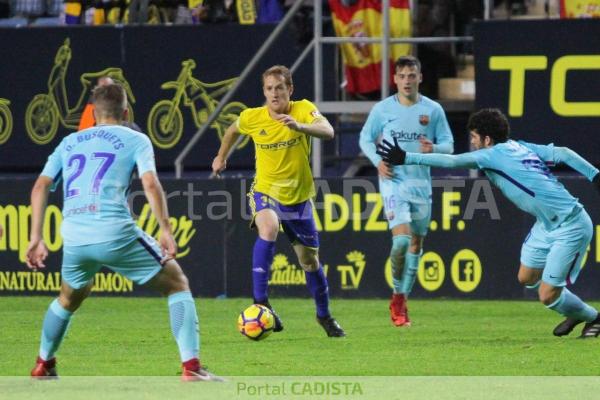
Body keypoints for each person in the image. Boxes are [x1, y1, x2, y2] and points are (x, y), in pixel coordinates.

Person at [26, 83, 220, 380]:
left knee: (69, 297)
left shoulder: (69, 142)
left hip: (75, 235)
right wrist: (165, 230)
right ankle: (191, 367)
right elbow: (151, 184)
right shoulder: (135, 138)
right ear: (126, 111)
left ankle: (43, 363)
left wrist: (35, 237)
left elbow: (40, 186)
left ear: (91, 113)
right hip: (114, 230)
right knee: (177, 283)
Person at [377, 108, 600, 338]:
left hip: (570, 225)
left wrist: (406, 157)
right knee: (527, 277)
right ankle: (572, 309)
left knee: (547, 295)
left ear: (487, 139)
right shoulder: (519, 145)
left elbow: (452, 161)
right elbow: (562, 152)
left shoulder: (490, 154)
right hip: (545, 225)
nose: (472, 143)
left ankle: (593, 317)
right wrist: (595, 175)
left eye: (474, 137)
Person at [211, 65, 345, 337]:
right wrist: (221, 156)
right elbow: (232, 130)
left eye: (280, 88)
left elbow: (328, 131)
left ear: (290, 90)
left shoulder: (303, 108)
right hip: (265, 190)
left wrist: (300, 126)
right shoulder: (254, 117)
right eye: (269, 89)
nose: (274, 94)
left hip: (297, 198)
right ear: (264, 91)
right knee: (268, 228)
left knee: (309, 262)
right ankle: (260, 301)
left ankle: (324, 315)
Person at [359, 55, 454, 327]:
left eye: (412, 75)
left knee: (415, 244)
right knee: (401, 241)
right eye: (402, 76)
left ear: (420, 78)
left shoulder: (433, 110)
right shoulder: (382, 109)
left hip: (421, 184)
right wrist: (378, 162)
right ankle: (397, 299)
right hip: (394, 182)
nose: (407, 80)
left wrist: (433, 149)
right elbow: (365, 138)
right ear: (395, 79)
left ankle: (400, 296)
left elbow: (448, 145)